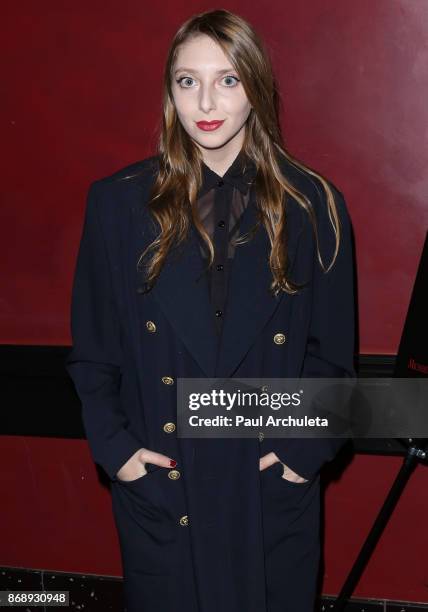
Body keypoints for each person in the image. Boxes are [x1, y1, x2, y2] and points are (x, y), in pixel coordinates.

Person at [65, 9, 356, 612]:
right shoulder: (117, 206)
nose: (206, 100)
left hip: (265, 486)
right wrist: (118, 454)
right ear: (170, 91)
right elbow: (93, 352)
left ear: (257, 88)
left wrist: (300, 458)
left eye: (227, 79)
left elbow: (334, 360)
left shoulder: (314, 208)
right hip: (166, 486)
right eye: (186, 80)